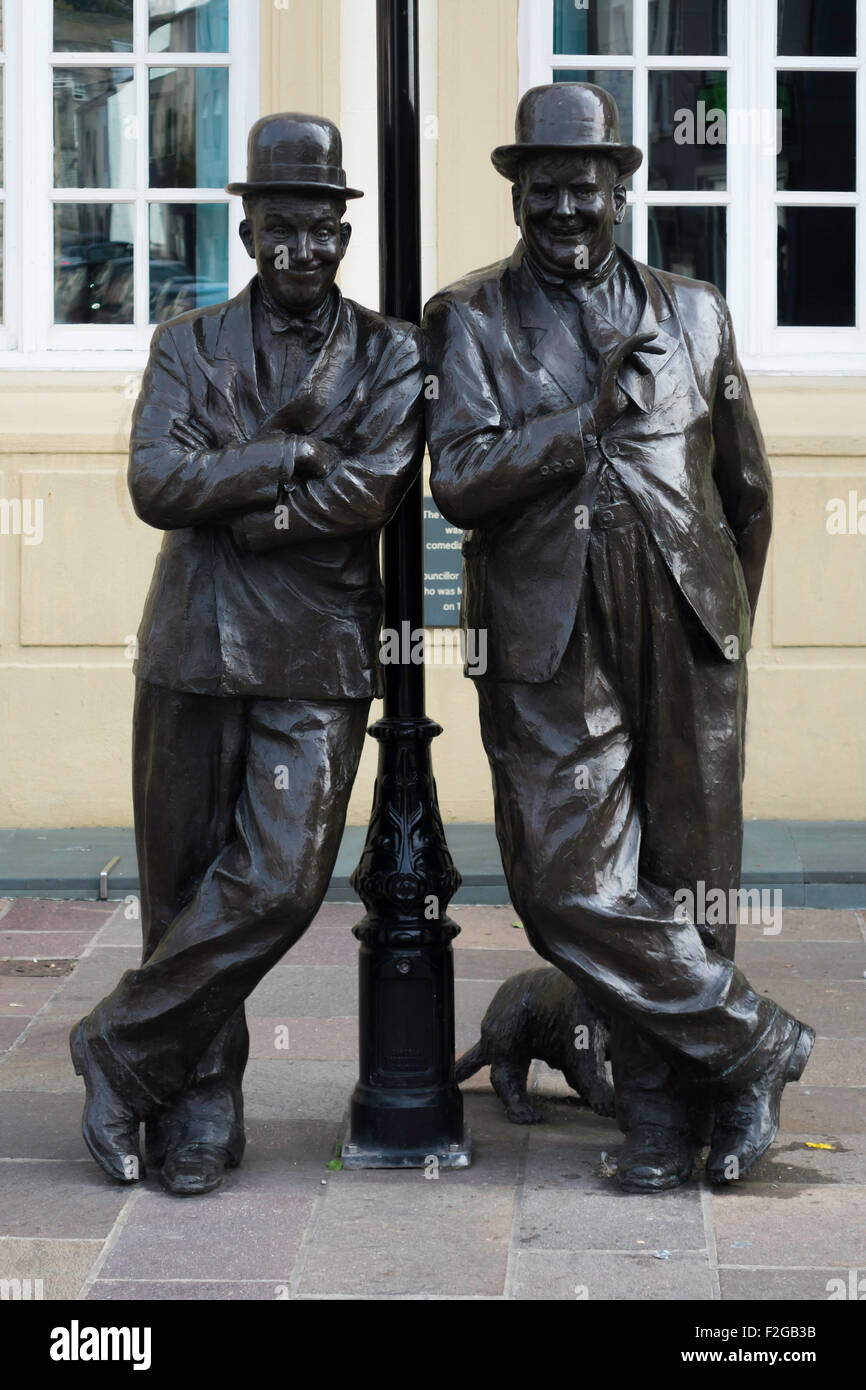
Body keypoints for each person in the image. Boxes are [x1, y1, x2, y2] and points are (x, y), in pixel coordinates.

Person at [424, 83, 813, 1191]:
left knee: (688, 878)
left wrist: (720, 618)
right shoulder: (468, 318)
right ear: (514, 193)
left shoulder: (695, 310)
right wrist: (573, 427)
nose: (563, 211)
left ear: (619, 190)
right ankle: (753, 1046)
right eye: (542, 191)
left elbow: (745, 486)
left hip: (685, 622)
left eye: (582, 190)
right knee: (565, 885)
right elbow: (456, 478)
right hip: (548, 631)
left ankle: (664, 1119)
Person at [70, 114, 424, 1196]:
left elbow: (373, 486)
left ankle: (119, 1044)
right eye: (281, 227)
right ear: (247, 228)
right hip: (188, 646)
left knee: (275, 880)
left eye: (321, 228)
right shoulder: (186, 343)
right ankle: (199, 1100)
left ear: (344, 233)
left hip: (313, 651)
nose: (302, 249)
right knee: (182, 890)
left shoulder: (389, 351)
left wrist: (252, 505)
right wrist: (283, 456)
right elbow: (154, 484)